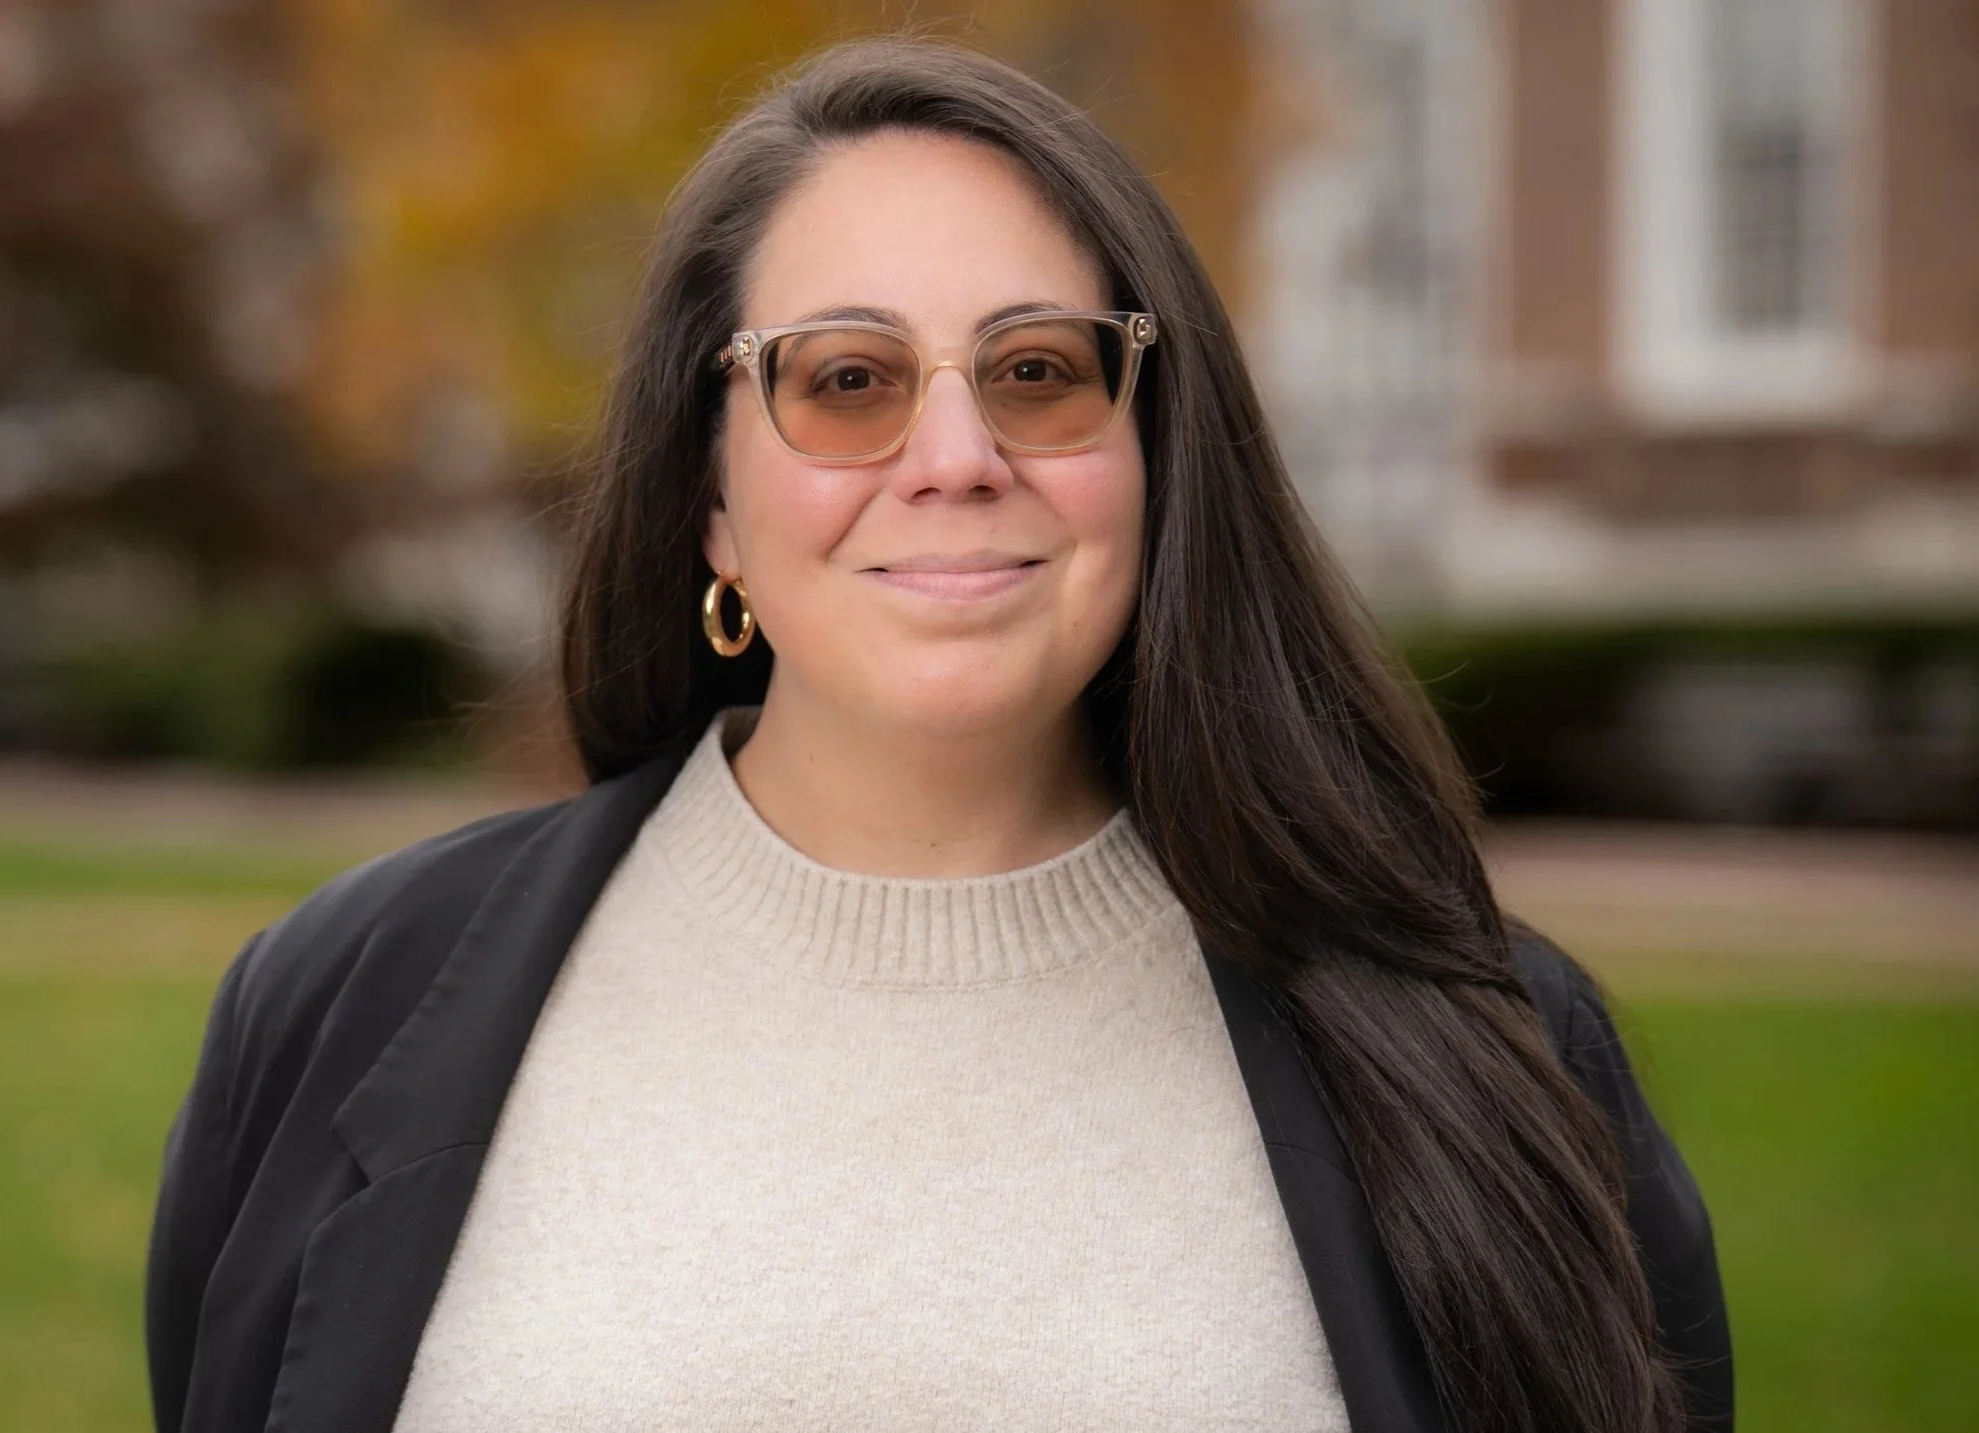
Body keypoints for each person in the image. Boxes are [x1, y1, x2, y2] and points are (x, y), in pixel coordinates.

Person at [144, 36, 1731, 1433]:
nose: (956, 454)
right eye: (845, 379)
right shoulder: (335, 1004)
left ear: (1156, 457)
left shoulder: (1490, 1045)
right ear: (709, 499)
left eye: (1041, 371)